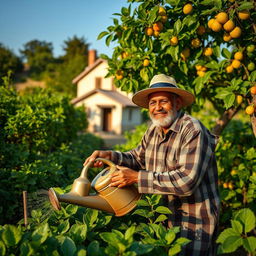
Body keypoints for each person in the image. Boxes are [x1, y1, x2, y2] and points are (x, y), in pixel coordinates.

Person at [84, 74, 220, 255]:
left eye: (163, 101)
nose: (157, 108)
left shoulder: (193, 130)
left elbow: (186, 182)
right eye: (152, 103)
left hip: (194, 221)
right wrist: (109, 155)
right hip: (164, 217)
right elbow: (137, 158)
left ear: (177, 104)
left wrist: (136, 177)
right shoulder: (153, 130)